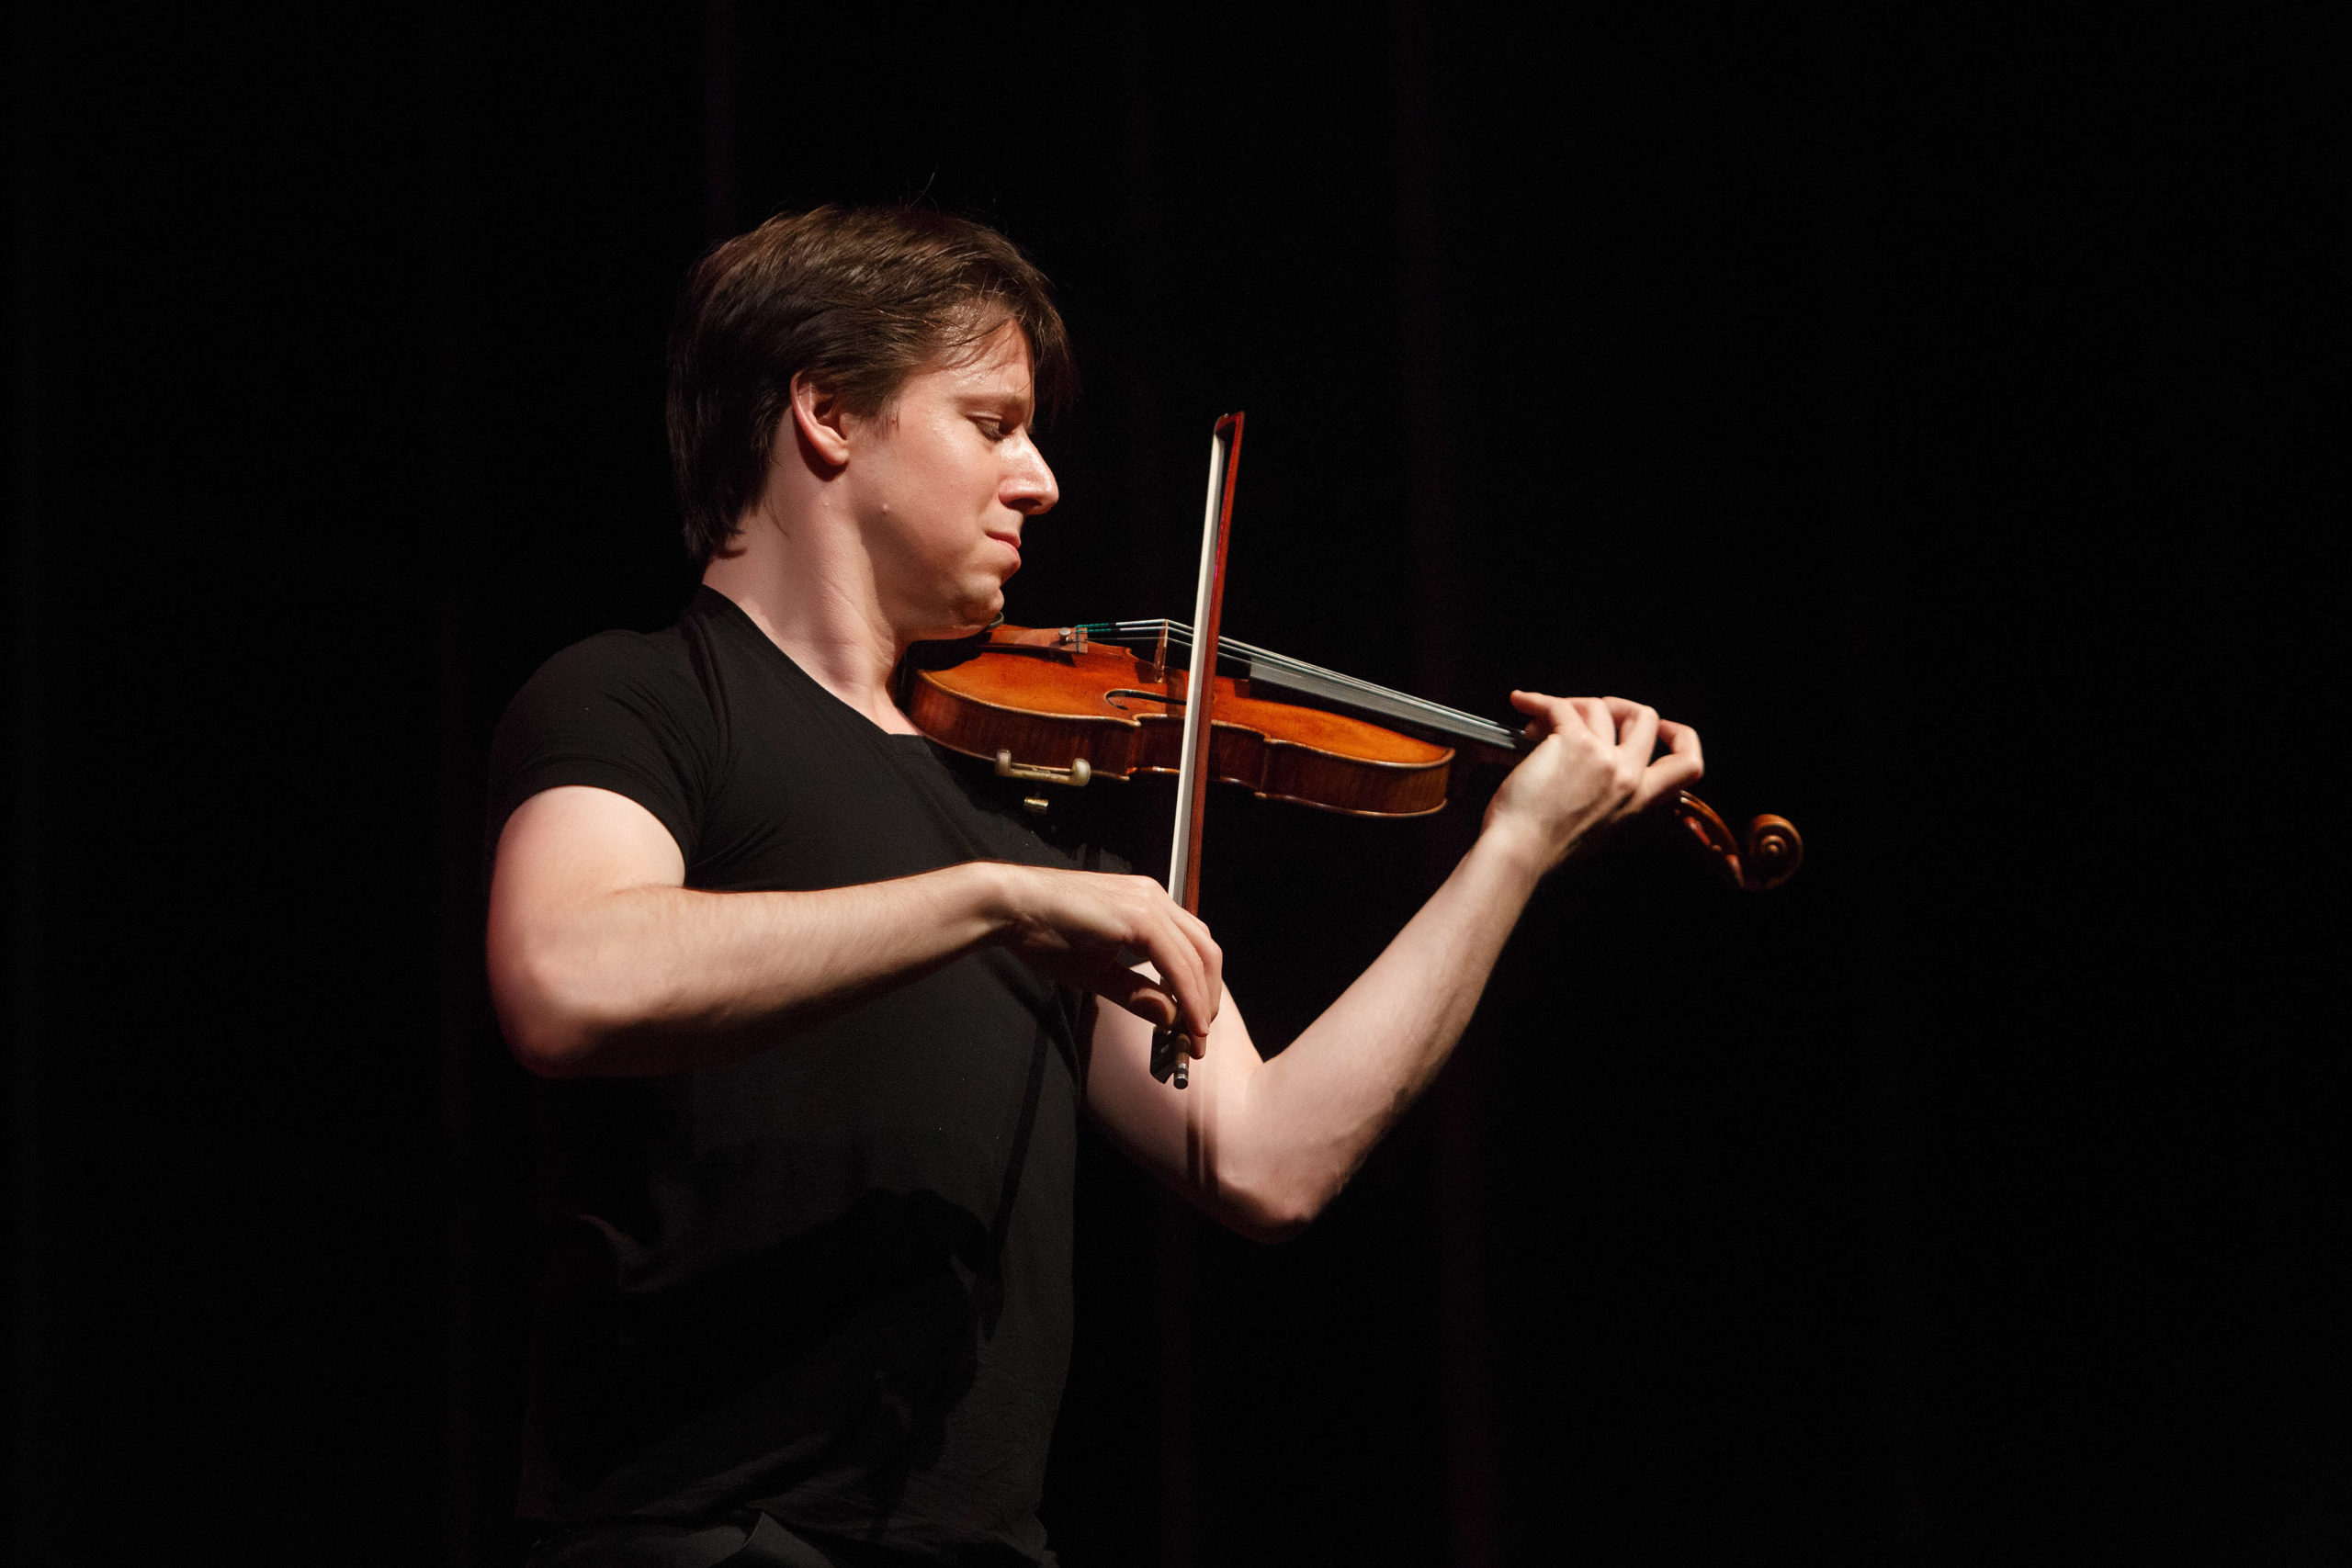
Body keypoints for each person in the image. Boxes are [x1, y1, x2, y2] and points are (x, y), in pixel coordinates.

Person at [486, 204, 1704, 1567]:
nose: (1043, 479)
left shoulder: (1029, 813)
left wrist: (1514, 849)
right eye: (992, 422)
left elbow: (1266, 1156)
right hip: (687, 1535)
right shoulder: (644, 699)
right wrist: (992, 902)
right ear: (828, 412)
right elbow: (568, 977)